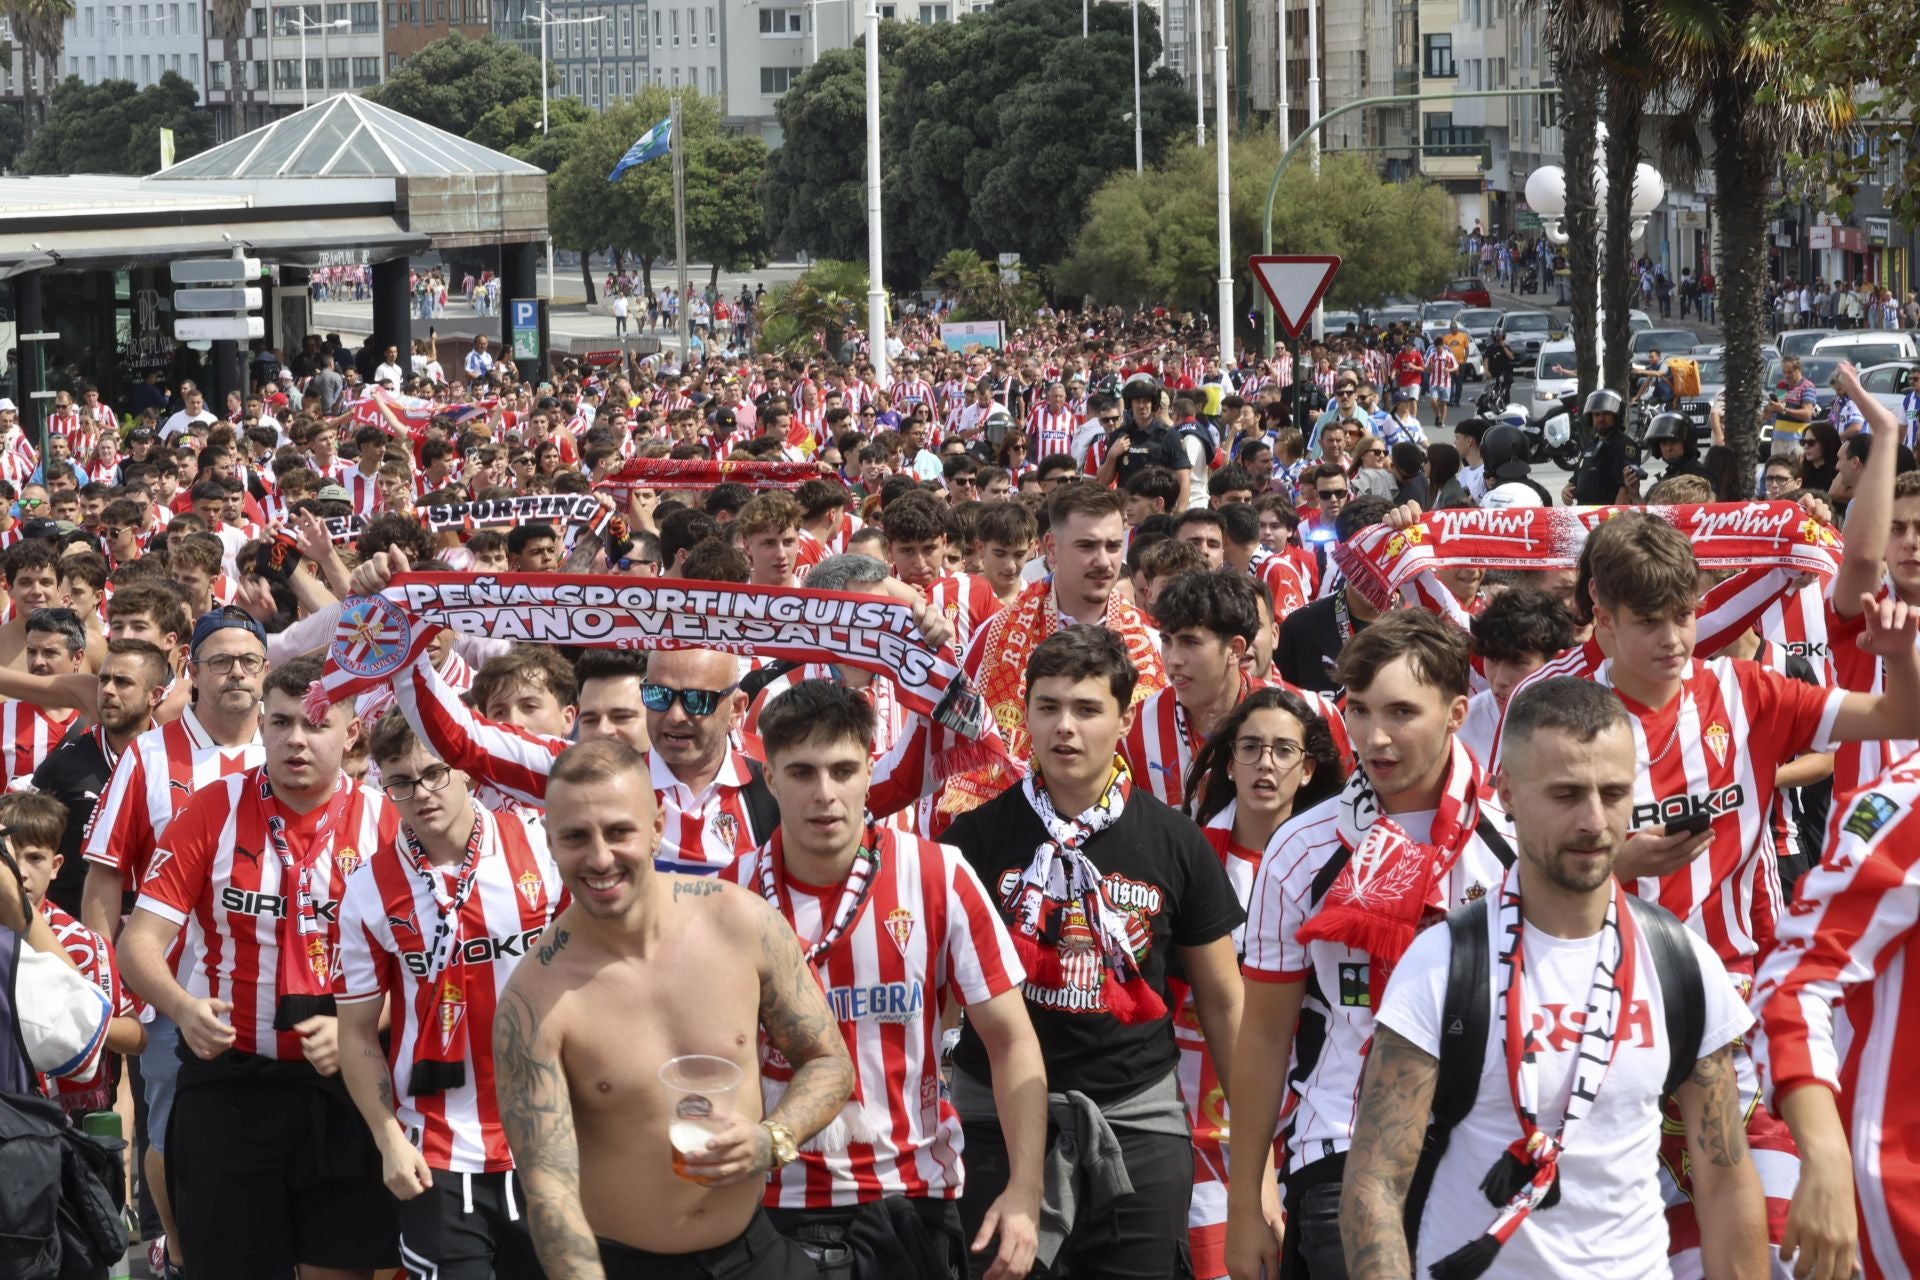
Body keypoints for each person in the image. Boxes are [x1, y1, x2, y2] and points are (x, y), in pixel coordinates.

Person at [1340, 677, 1766, 1280]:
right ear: (1506, 793)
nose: (1595, 821)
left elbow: (1723, 1175)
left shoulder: (1679, 960)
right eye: (1566, 794)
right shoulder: (1443, 963)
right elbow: (1375, 1183)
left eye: (1614, 792)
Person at [942, 627, 1248, 1280]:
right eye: (1048, 706)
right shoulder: (973, 837)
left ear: (1124, 717)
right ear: (1024, 713)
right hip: (992, 1126)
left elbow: (1223, 1003)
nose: (1065, 728)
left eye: (1086, 709)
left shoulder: (1175, 840)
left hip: (1135, 1124)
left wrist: (1257, 1166)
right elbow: (939, 1001)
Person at [490, 739, 854, 1279]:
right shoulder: (534, 1001)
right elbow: (551, 1194)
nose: (599, 858)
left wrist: (770, 1139)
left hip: (755, 1253)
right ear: (548, 841)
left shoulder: (740, 924)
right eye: (575, 837)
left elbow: (829, 1062)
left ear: (657, 823)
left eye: (619, 831)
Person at [1226, 610, 1517, 1280]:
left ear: (1456, 711)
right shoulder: (1300, 848)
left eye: (1401, 712)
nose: (1375, 737)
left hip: (1484, 1157)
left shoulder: (1513, 846)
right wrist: (1247, 1201)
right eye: (1358, 710)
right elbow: (1264, 1036)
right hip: (1340, 1151)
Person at [724, 680, 1045, 1280]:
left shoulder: (937, 874)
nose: (825, 794)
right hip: (766, 1203)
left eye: (843, 769)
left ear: (871, 770)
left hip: (909, 1196)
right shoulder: (728, 893)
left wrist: (1026, 1193)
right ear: (770, 780)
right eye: (801, 773)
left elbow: (1011, 1041)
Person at [119, 654, 405, 1280]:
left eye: (316, 723)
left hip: (345, 1090)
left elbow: (420, 971)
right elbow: (138, 943)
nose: (296, 739)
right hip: (231, 1084)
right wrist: (181, 1007)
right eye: (280, 722)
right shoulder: (211, 809)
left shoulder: (389, 824)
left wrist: (363, 1026)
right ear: (261, 724)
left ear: (351, 733)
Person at [335, 710, 563, 1280]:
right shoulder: (366, 888)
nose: (422, 793)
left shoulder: (542, 848)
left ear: (465, 768)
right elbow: (357, 1031)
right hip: (435, 1147)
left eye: (435, 773)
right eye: (402, 782)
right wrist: (388, 1138)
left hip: (550, 1135)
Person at [1179, 688, 1343, 1279]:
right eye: (1250, 748)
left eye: (1282, 751)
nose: (1265, 764)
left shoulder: (1340, 865)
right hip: (1193, 1120)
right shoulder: (1187, 853)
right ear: (1228, 764)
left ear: (1308, 769)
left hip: (1300, 1121)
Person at [1120, 570, 1259, 809]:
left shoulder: (1302, 713)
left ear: (1235, 649)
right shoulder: (1132, 730)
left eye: (1190, 642)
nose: (1173, 659)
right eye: (1166, 641)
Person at [1565, 389, 1639, 507]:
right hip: (1585, 515)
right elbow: (1575, 480)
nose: (1601, 419)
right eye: (1596, 414)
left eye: (1606, 414)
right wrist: (1566, 492)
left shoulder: (1623, 446)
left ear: (1616, 416)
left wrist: (1614, 519)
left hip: (1607, 517)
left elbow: (1625, 489)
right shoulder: (1590, 446)